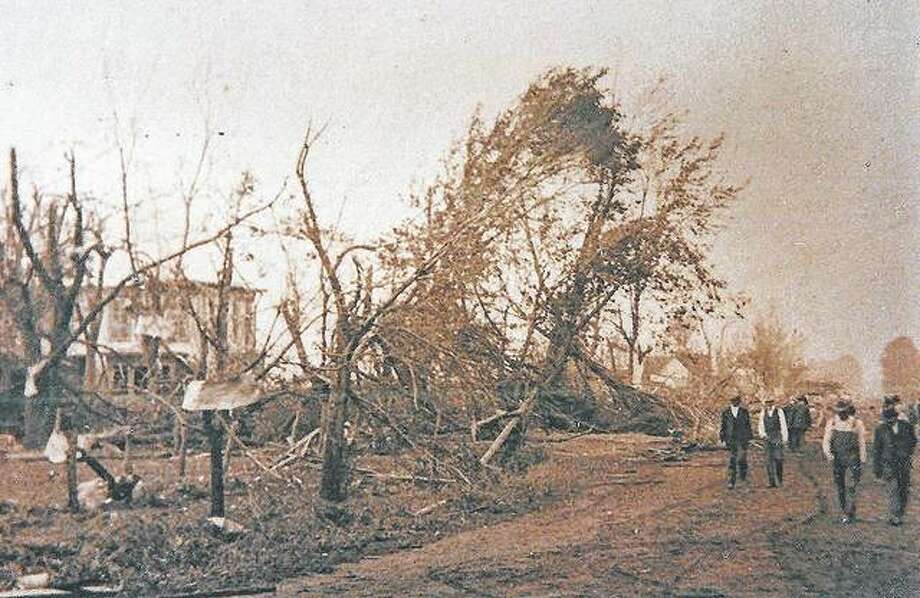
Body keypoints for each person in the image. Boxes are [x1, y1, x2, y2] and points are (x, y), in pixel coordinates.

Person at [873, 395, 917, 526]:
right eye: (888, 420)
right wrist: (877, 469)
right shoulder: (880, 429)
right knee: (893, 488)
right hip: (888, 463)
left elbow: (913, 441)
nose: (890, 422)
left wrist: (907, 451)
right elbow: (877, 450)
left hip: (903, 463)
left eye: (892, 419)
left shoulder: (906, 426)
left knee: (904, 489)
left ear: (896, 417)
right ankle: (894, 514)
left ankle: (900, 513)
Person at [822, 400, 867, 523]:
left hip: (853, 457)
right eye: (839, 412)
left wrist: (862, 458)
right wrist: (829, 455)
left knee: (852, 485)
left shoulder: (856, 423)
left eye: (844, 412)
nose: (842, 415)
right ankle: (844, 511)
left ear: (848, 411)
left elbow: (861, 442)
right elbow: (826, 440)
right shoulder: (832, 423)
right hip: (838, 457)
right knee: (840, 485)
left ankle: (850, 510)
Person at [719, 394, 753, 489]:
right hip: (730, 439)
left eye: (736, 401)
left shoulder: (744, 412)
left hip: (742, 439)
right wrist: (722, 438)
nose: (734, 402)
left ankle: (743, 476)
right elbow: (723, 426)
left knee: (742, 458)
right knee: (732, 460)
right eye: (733, 401)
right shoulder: (726, 412)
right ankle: (731, 481)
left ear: (739, 401)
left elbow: (748, 425)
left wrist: (750, 438)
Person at [758, 397, 788, 487]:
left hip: (777, 437)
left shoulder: (779, 412)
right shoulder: (763, 412)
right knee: (768, 460)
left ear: (773, 402)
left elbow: (783, 425)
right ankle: (771, 482)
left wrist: (784, 438)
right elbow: (761, 425)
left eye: (770, 402)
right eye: (767, 403)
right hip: (767, 438)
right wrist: (763, 434)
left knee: (778, 459)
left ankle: (779, 480)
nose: (769, 404)